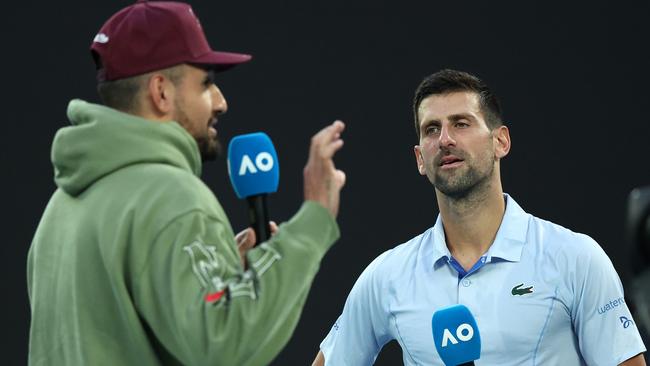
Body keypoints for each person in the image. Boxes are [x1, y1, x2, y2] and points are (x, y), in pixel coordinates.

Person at [27, 1, 346, 365]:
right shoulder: (171, 198)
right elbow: (222, 343)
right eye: (207, 83)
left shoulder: (59, 210)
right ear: (161, 92)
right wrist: (313, 220)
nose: (221, 102)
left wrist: (224, 277)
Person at [313, 69, 646, 365]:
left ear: (500, 141)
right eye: (431, 129)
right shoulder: (387, 276)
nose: (445, 139)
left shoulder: (575, 258)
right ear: (419, 158)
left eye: (461, 123)